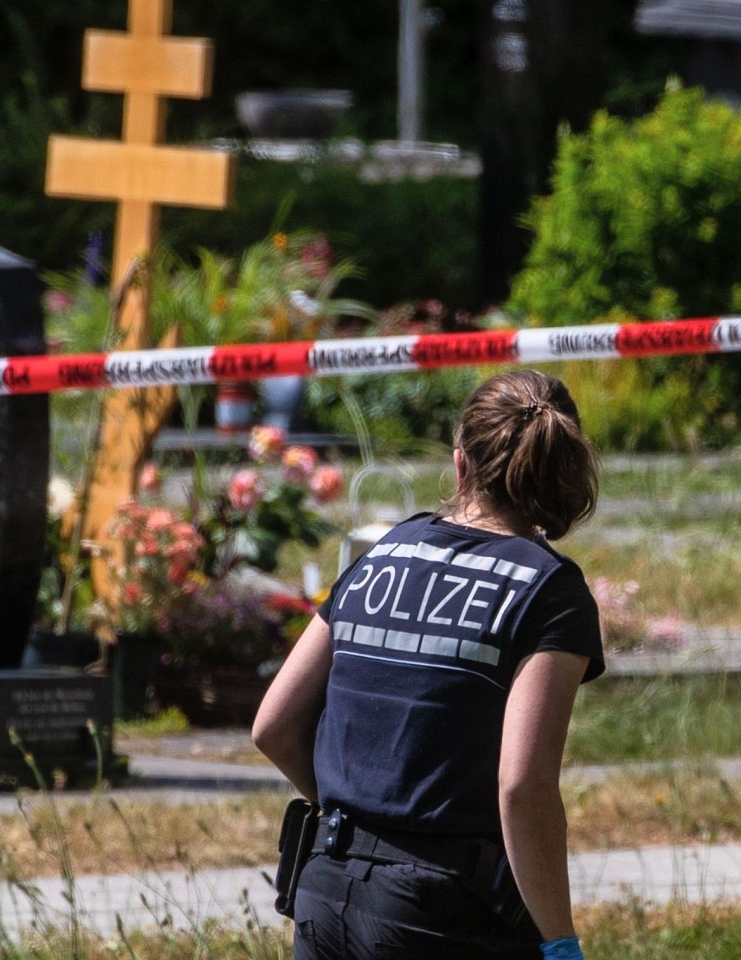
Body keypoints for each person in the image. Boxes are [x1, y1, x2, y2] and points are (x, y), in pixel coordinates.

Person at [253, 369, 604, 960]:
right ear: (561, 466)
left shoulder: (386, 552)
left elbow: (274, 726)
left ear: (460, 463)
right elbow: (523, 786)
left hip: (324, 888)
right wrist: (559, 940)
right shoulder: (548, 590)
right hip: (440, 914)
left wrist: (363, 827)